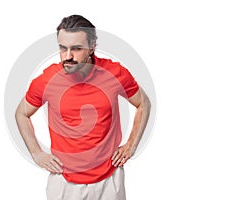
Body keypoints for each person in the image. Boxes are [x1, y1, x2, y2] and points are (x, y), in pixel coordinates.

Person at [15, 14, 151, 200]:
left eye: (76, 49)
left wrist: (131, 145)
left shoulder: (115, 73)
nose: (68, 56)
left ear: (92, 47)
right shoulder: (47, 80)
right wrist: (36, 153)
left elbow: (143, 103)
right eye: (63, 48)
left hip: (109, 180)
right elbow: (22, 113)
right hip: (64, 182)